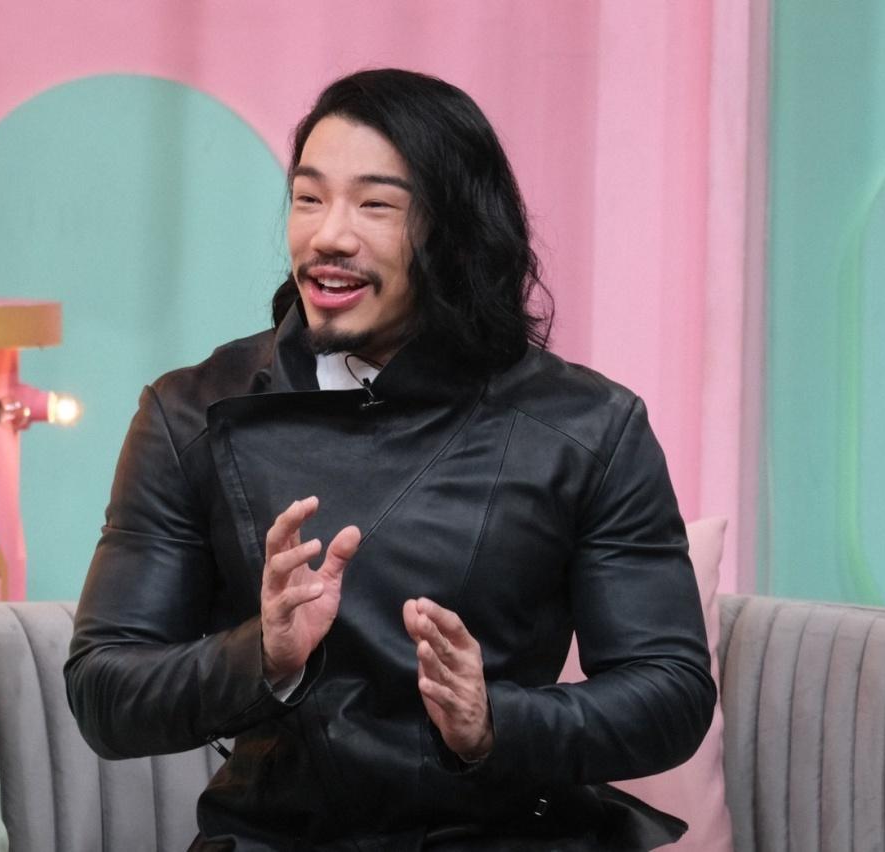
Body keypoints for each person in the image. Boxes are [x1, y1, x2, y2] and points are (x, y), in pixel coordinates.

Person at [65, 68, 715, 851]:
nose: (328, 236)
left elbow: (670, 695)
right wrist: (261, 655)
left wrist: (493, 720)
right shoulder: (189, 413)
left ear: (455, 231)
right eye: (308, 198)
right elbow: (104, 693)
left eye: (375, 205)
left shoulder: (589, 426)